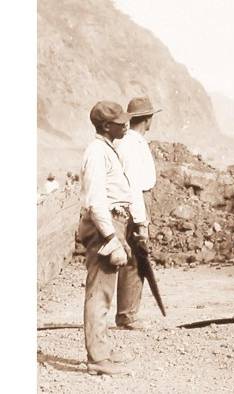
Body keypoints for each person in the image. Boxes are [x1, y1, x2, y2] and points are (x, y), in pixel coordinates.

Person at [78, 101, 149, 375]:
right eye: (121, 122)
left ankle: (103, 349)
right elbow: (96, 202)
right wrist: (111, 239)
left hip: (113, 220)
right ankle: (97, 358)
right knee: (100, 293)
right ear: (106, 126)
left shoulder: (108, 149)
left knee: (105, 292)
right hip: (103, 225)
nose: (127, 124)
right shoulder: (96, 153)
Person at [113, 96, 161, 330]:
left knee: (135, 259)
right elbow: (133, 185)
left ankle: (128, 313)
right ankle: (127, 315)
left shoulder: (135, 141)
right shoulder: (130, 145)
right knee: (134, 259)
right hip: (134, 205)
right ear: (148, 119)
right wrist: (141, 221)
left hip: (136, 203)